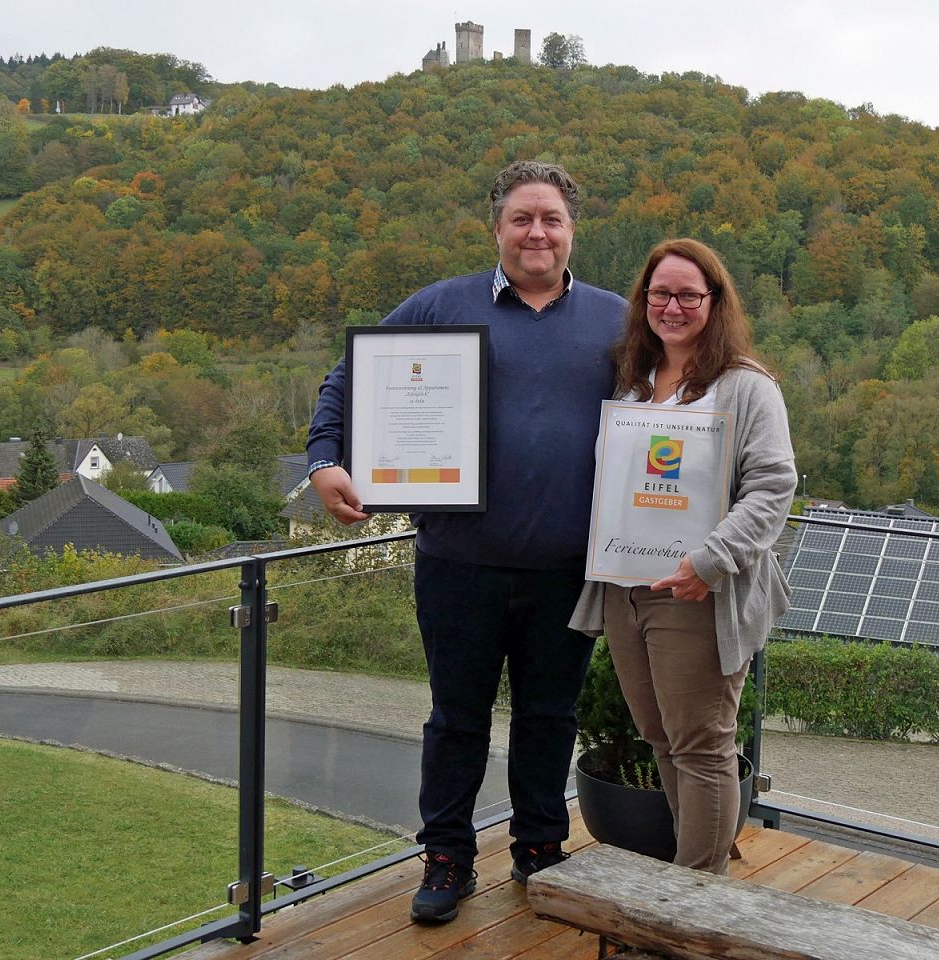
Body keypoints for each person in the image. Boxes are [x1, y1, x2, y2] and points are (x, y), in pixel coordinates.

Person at [306, 160, 626, 921]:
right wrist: (324, 461)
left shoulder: (617, 320)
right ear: (497, 228)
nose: (537, 232)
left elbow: (674, 403)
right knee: (456, 720)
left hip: (567, 568)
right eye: (522, 218)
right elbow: (347, 381)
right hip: (459, 565)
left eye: (551, 219)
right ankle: (447, 858)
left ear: (572, 230)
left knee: (550, 717)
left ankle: (540, 849)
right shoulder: (438, 307)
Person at [570, 238, 796, 875]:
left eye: (688, 295)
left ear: (714, 302)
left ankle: (699, 893)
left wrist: (711, 562)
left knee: (701, 745)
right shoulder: (631, 381)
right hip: (625, 587)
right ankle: (689, 874)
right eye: (660, 294)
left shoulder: (746, 387)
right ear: (643, 300)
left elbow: (773, 487)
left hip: (696, 592)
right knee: (662, 738)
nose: (672, 307)